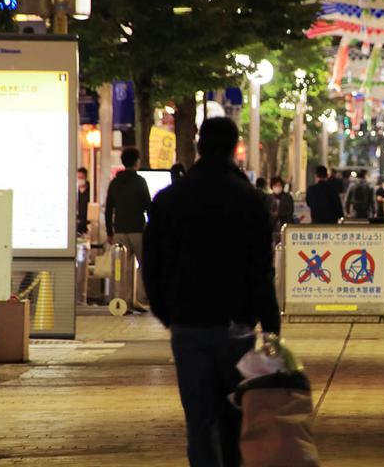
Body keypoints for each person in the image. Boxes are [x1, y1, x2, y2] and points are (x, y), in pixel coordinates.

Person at [142, 117, 279, 467]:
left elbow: (153, 262)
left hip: (187, 320)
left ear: (199, 146)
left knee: (199, 421)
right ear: (235, 147)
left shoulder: (170, 199)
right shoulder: (249, 201)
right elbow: (261, 268)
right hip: (236, 322)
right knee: (235, 415)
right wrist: (270, 322)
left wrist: (165, 311)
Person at [105, 147, 152, 310]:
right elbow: (148, 205)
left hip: (119, 231)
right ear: (137, 161)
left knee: (122, 267)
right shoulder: (139, 181)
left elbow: (108, 208)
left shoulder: (115, 182)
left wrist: (109, 231)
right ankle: (140, 298)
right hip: (137, 230)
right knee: (144, 264)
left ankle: (122, 299)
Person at [76, 167, 91, 236]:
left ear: (85, 177)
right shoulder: (74, 191)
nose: (80, 179)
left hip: (87, 223)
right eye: (78, 177)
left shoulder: (91, 191)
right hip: (76, 223)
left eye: (81, 177)